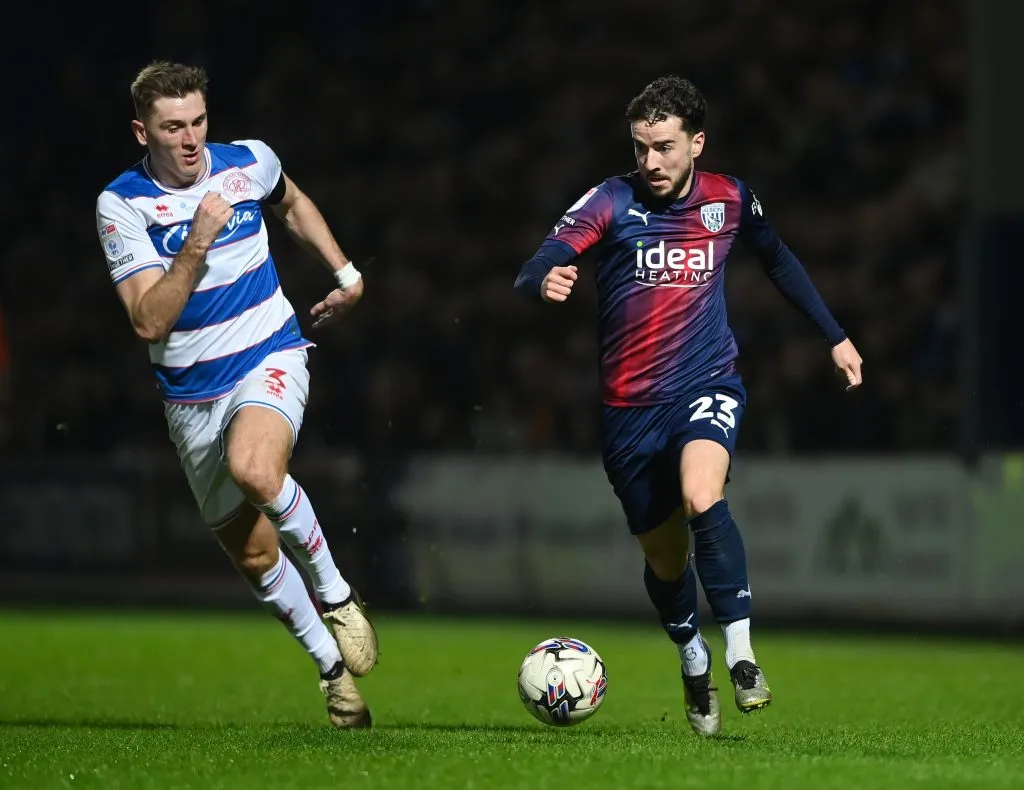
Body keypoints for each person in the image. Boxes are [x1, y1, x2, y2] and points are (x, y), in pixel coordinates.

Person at [514, 75, 863, 736]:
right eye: (641, 147)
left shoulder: (729, 198)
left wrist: (835, 335)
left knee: (703, 495)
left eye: (665, 147)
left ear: (697, 142)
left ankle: (742, 656)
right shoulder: (610, 200)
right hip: (628, 412)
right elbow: (539, 261)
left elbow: (779, 260)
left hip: (706, 383)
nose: (651, 161)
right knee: (666, 561)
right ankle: (692, 655)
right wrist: (544, 279)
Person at [95, 61, 378, 729]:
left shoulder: (248, 161)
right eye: (173, 127)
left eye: (198, 121)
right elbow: (148, 322)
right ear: (142, 132)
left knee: (255, 468)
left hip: (267, 353)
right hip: (191, 397)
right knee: (253, 554)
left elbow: (293, 202)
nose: (191, 139)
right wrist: (196, 241)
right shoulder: (122, 204)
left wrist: (346, 273)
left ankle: (338, 596)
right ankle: (332, 673)